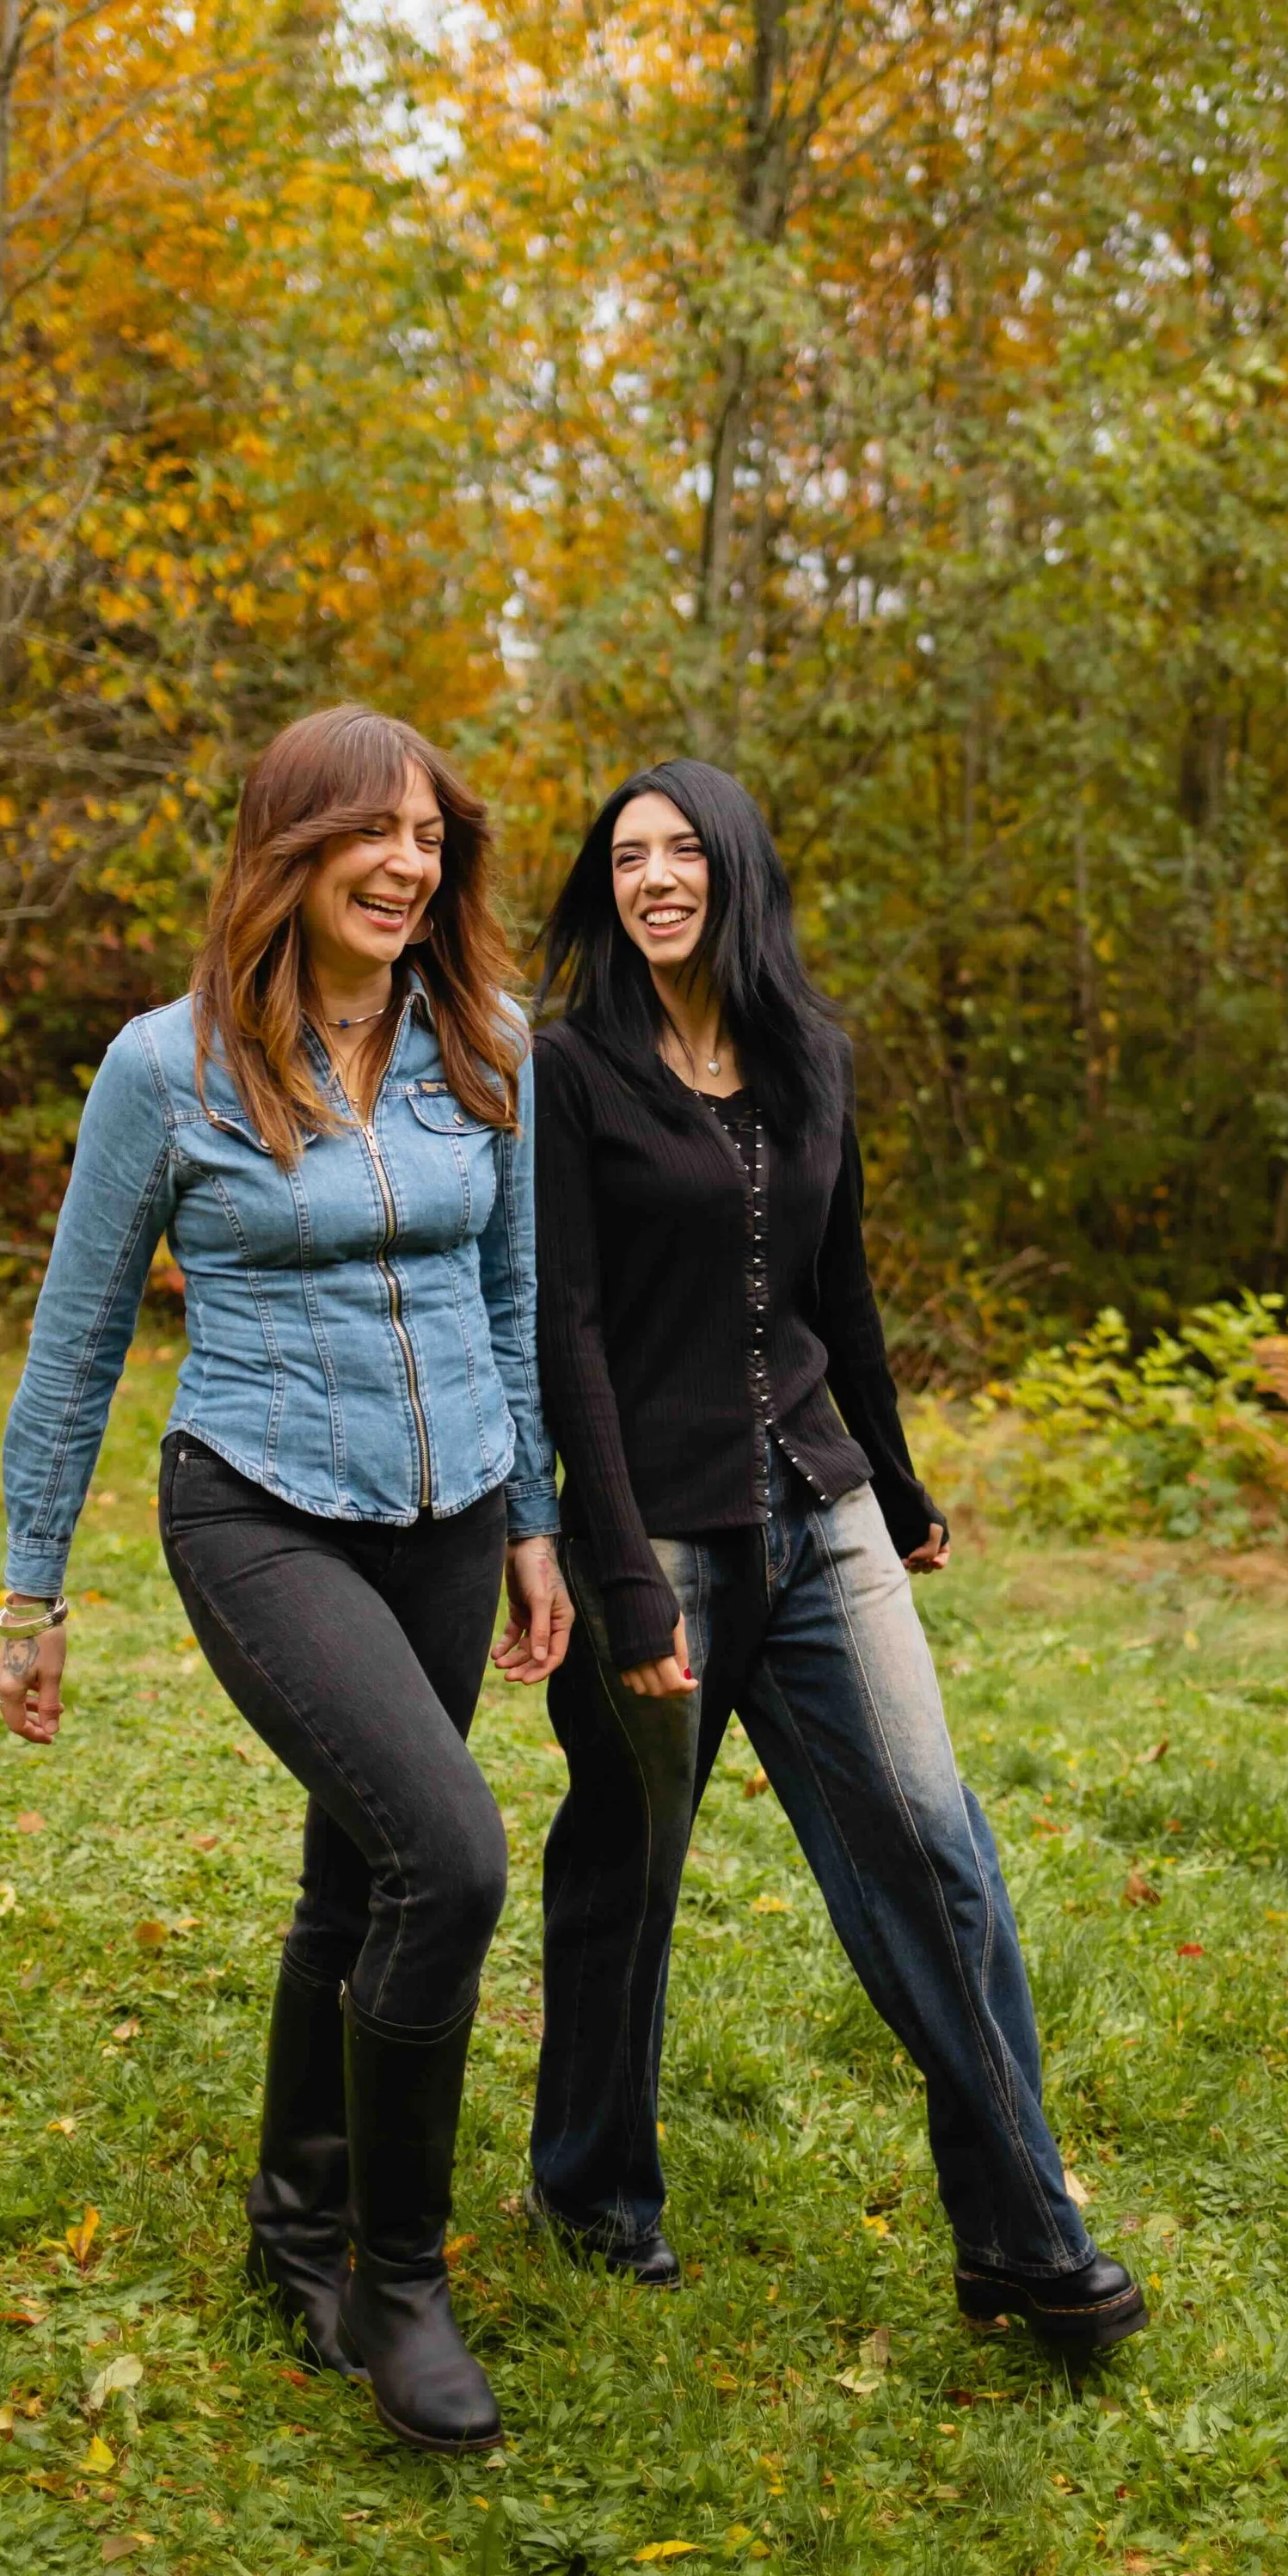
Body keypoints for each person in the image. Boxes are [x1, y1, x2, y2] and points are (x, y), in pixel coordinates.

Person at [0, 705, 570, 2456]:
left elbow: (509, 1297)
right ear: (288, 853)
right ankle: (400, 2284)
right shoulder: (163, 1069)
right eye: (368, 836)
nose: (406, 865)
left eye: (426, 838)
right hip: (258, 1501)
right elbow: (78, 1332)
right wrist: (33, 1589)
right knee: (452, 1855)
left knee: (365, 1869)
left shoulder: (485, 1042)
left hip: (454, 1503)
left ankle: (291, 2231)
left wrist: (531, 1516)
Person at [526, 759, 1145, 2359]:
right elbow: (567, 1333)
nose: (654, 878)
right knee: (631, 1857)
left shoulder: (810, 1056)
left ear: (736, 868)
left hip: (823, 1508)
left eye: (681, 852)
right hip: (656, 1528)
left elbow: (838, 1285)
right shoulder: (567, 1070)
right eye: (626, 858)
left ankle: (1022, 2234)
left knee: (938, 1852)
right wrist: (621, 1574)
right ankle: (594, 2188)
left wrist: (899, 1470)